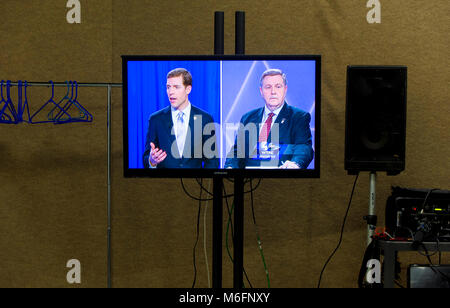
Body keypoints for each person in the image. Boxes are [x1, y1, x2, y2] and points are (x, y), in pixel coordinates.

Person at [224, 68, 314, 169]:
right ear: (261, 91)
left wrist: (295, 164)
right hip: (248, 179)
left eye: (278, 86)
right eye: (268, 87)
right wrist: (230, 167)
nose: (273, 92)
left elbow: (303, 147)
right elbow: (237, 151)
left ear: (285, 89)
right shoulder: (247, 118)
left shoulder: (299, 117)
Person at [143, 68, 219, 168]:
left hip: (195, 182)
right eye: (168, 87)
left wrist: (204, 181)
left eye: (176, 87)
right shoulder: (156, 119)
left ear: (188, 89)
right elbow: (146, 158)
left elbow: (212, 161)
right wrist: (152, 161)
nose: (171, 92)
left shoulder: (205, 119)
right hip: (164, 182)